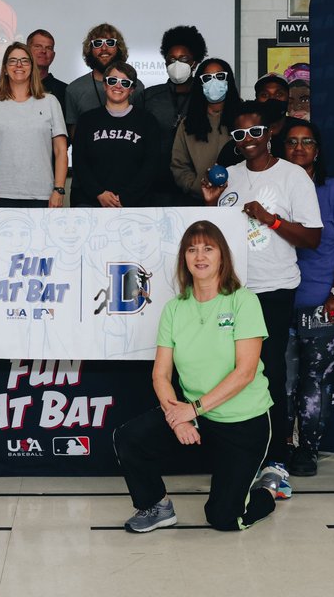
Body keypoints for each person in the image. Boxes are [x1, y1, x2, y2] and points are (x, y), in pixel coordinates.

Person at [114, 220, 283, 533]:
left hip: (242, 422)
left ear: (222, 256)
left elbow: (245, 373)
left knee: (225, 518)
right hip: (197, 417)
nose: (200, 255)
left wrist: (191, 410)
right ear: (184, 259)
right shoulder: (175, 309)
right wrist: (178, 417)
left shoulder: (242, 301)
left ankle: (269, 487)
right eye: (192, 249)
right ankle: (156, 507)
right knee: (129, 437)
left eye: (208, 248)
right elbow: (160, 375)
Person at [203, 100, 321, 498]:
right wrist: (209, 202)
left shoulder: (293, 177)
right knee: (226, 372)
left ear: (269, 133)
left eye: (256, 132)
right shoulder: (229, 177)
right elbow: (212, 234)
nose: (249, 140)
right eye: (240, 135)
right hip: (230, 291)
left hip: (273, 289)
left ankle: (276, 461)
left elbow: (312, 238)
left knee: (267, 373)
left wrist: (270, 219)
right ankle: (236, 455)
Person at [281, 119, 334, 477]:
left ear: (317, 150)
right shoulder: (273, 190)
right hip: (279, 301)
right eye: (291, 142)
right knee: (280, 381)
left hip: (326, 303)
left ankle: (307, 451)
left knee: (313, 381)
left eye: (307, 142)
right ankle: (281, 446)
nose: (299, 148)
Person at [0, 42, 68, 208]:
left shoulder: (50, 102)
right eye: (13, 60)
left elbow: (60, 150)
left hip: (42, 196)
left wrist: (58, 190)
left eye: (24, 60)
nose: (18, 65)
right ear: (4, 68)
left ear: (32, 67)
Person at [70, 61, 162, 208]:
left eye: (125, 83)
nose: (118, 86)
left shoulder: (147, 121)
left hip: (136, 204)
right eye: (113, 81)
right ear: (105, 85)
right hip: (92, 203)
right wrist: (99, 193)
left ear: (132, 89)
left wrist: (126, 198)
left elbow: (151, 165)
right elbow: (79, 161)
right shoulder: (87, 120)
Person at [145, 25, 208, 205]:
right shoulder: (150, 97)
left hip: (195, 185)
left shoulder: (205, 96)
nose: (176, 64)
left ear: (194, 62)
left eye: (183, 58)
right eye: (172, 59)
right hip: (157, 187)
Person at [169, 57, 243, 203]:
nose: (214, 82)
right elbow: (179, 166)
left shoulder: (243, 119)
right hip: (199, 200)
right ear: (200, 83)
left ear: (228, 80)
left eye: (220, 76)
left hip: (240, 198)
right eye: (207, 78)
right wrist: (197, 186)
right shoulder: (187, 124)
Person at [63, 23, 145, 138]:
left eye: (110, 43)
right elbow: (75, 138)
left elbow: (143, 127)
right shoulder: (74, 90)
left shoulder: (137, 87)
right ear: (90, 49)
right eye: (98, 43)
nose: (104, 48)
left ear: (119, 48)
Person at [217, 73, 291, 167]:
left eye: (279, 94)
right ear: (256, 99)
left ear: (289, 98)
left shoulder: (299, 130)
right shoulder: (238, 143)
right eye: (264, 95)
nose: (272, 99)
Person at [27, 28, 66, 108]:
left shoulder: (65, 91)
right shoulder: (14, 86)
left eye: (48, 48)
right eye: (38, 46)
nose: (43, 51)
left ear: (53, 55)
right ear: (26, 51)